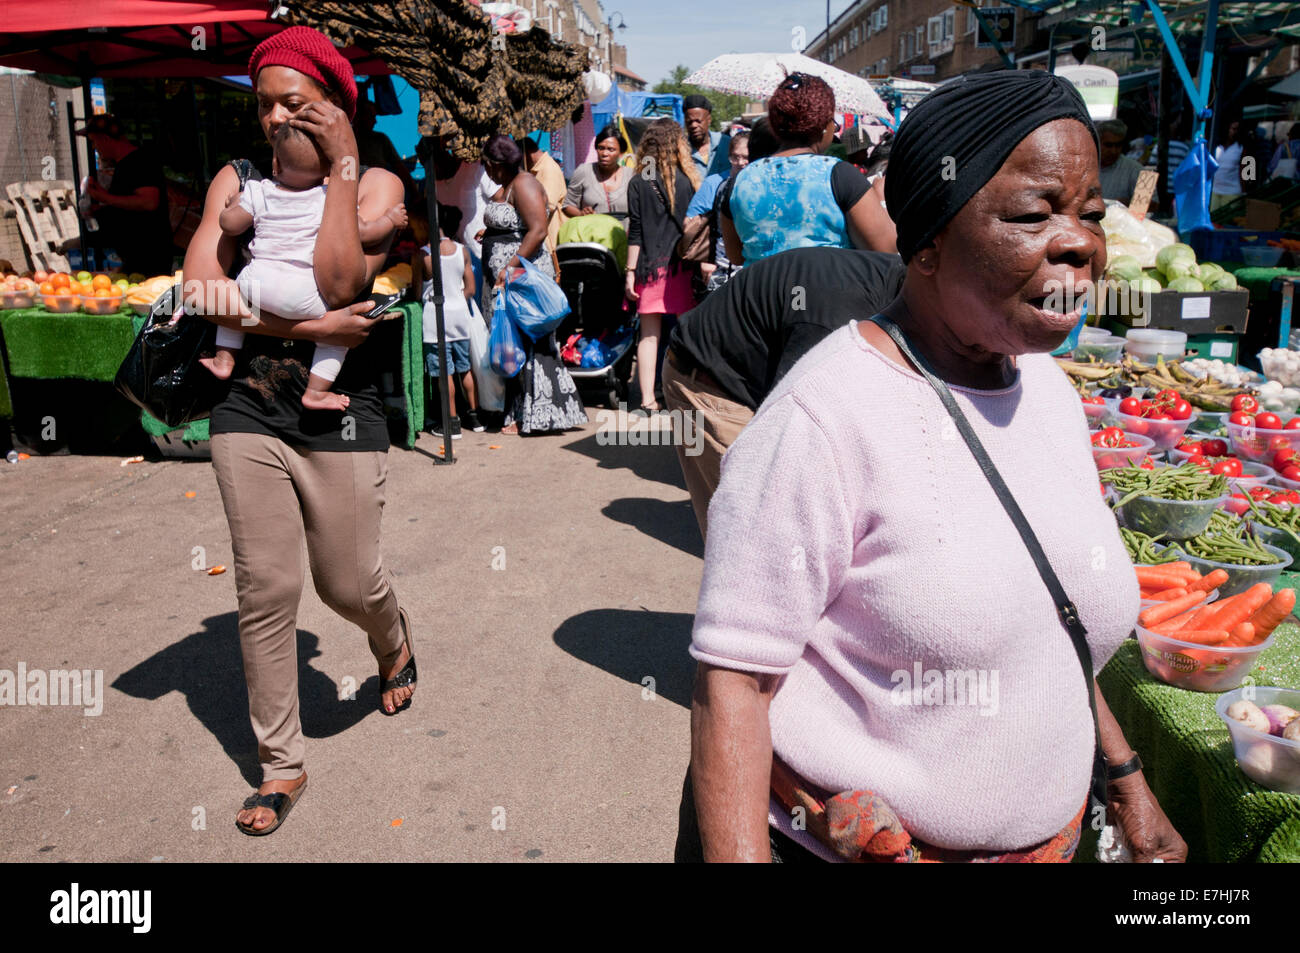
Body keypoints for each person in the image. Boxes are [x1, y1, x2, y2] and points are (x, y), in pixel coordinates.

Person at [678, 69, 1187, 864]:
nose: (1082, 242)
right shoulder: (823, 417)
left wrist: (1127, 782)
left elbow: (1050, 627)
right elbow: (731, 687)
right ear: (930, 239)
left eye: (1091, 215)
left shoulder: (1049, 393)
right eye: (1033, 212)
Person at [183, 25, 412, 836]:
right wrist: (300, 332)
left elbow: (342, 281)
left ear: (336, 101)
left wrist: (345, 159)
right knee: (267, 588)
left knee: (347, 583)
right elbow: (202, 294)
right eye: (267, 104)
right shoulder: (239, 181)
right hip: (248, 404)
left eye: (298, 102)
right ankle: (281, 762)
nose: (278, 118)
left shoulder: (378, 181)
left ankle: (392, 640)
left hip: (342, 404)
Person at [662, 246, 903, 537]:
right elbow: (791, 428)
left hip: (755, 369)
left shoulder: (898, 284)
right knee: (761, 530)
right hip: (710, 384)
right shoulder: (833, 319)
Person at [204, 120, 408, 411]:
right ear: (329, 170)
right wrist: (390, 221)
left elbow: (230, 224)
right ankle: (316, 391)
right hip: (304, 295)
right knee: (339, 334)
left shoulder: (257, 190)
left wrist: (232, 204)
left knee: (235, 298)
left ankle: (224, 358)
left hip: (256, 283)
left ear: (275, 163)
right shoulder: (329, 200)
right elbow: (362, 232)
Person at [721, 72, 896, 265]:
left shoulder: (740, 182)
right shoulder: (839, 175)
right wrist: (880, 201)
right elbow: (886, 248)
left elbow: (736, 256)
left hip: (760, 293)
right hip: (827, 291)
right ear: (823, 126)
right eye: (833, 122)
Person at [479, 134, 586, 435]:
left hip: (520, 279)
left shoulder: (524, 183)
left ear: (496, 164)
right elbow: (517, 225)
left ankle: (527, 414)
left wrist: (508, 268)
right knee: (510, 343)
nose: (484, 169)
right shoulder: (511, 185)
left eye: (485, 163)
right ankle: (514, 411)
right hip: (507, 278)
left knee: (524, 343)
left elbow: (538, 230)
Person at [626, 118, 701, 414]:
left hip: (647, 268)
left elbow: (635, 232)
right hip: (680, 268)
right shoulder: (687, 181)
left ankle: (647, 400)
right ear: (677, 145)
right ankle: (686, 396)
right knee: (685, 334)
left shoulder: (637, 182)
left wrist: (629, 273)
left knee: (649, 336)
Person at [76, 114, 173, 275]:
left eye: (94, 141)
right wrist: (103, 208)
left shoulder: (140, 161)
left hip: (149, 255)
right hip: (135, 257)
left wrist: (105, 198)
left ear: (105, 138)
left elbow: (149, 202)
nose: (94, 147)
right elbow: (128, 204)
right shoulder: (125, 164)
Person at [421, 204, 482, 437]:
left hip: (435, 318)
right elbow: (471, 288)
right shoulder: (462, 251)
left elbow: (419, 288)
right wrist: (456, 297)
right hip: (460, 315)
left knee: (444, 372)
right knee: (465, 368)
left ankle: (452, 421)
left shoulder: (424, 254)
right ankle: (475, 418)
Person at [685, 132, 749, 295]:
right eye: (735, 157)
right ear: (728, 157)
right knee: (718, 314)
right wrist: (705, 259)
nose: (740, 163)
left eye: (745, 157)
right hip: (718, 268)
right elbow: (690, 223)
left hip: (751, 267)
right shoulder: (714, 183)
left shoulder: (762, 182)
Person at [353, 97, 418, 201]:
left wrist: (415, 193)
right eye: (371, 116)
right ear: (358, 116)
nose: (375, 121)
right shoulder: (346, 139)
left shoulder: (380, 140)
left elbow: (400, 168)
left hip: (376, 194)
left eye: (375, 116)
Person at [562, 124, 630, 221]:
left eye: (611, 149)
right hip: (592, 234)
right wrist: (581, 214)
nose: (604, 153)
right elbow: (567, 206)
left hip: (624, 235)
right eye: (601, 148)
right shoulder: (584, 171)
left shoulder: (631, 175)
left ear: (621, 153)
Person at [521, 137, 568, 259]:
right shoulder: (537, 169)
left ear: (526, 155)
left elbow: (548, 206)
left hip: (551, 240)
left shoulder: (548, 169)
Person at [1096, 119, 1144, 203]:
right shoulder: (1080, 167)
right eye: (1108, 145)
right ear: (1097, 142)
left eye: (1118, 145)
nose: (1114, 151)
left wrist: (1126, 204)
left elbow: (1153, 205)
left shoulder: (1140, 170)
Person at [683, 94, 730, 180]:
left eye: (698, 121)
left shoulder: (726, 144)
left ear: (709, 120)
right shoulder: (681, 150)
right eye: (689, 122)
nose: (694, 125)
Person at [1211, 119, 1248, 212]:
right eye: (1233, 129)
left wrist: (1244, 192)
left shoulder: (1241, 148)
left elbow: (1243, 171)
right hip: (1215, 190)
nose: (1235, 132)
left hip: (1232, 192)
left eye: (1237, 130)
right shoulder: (1216, 146)